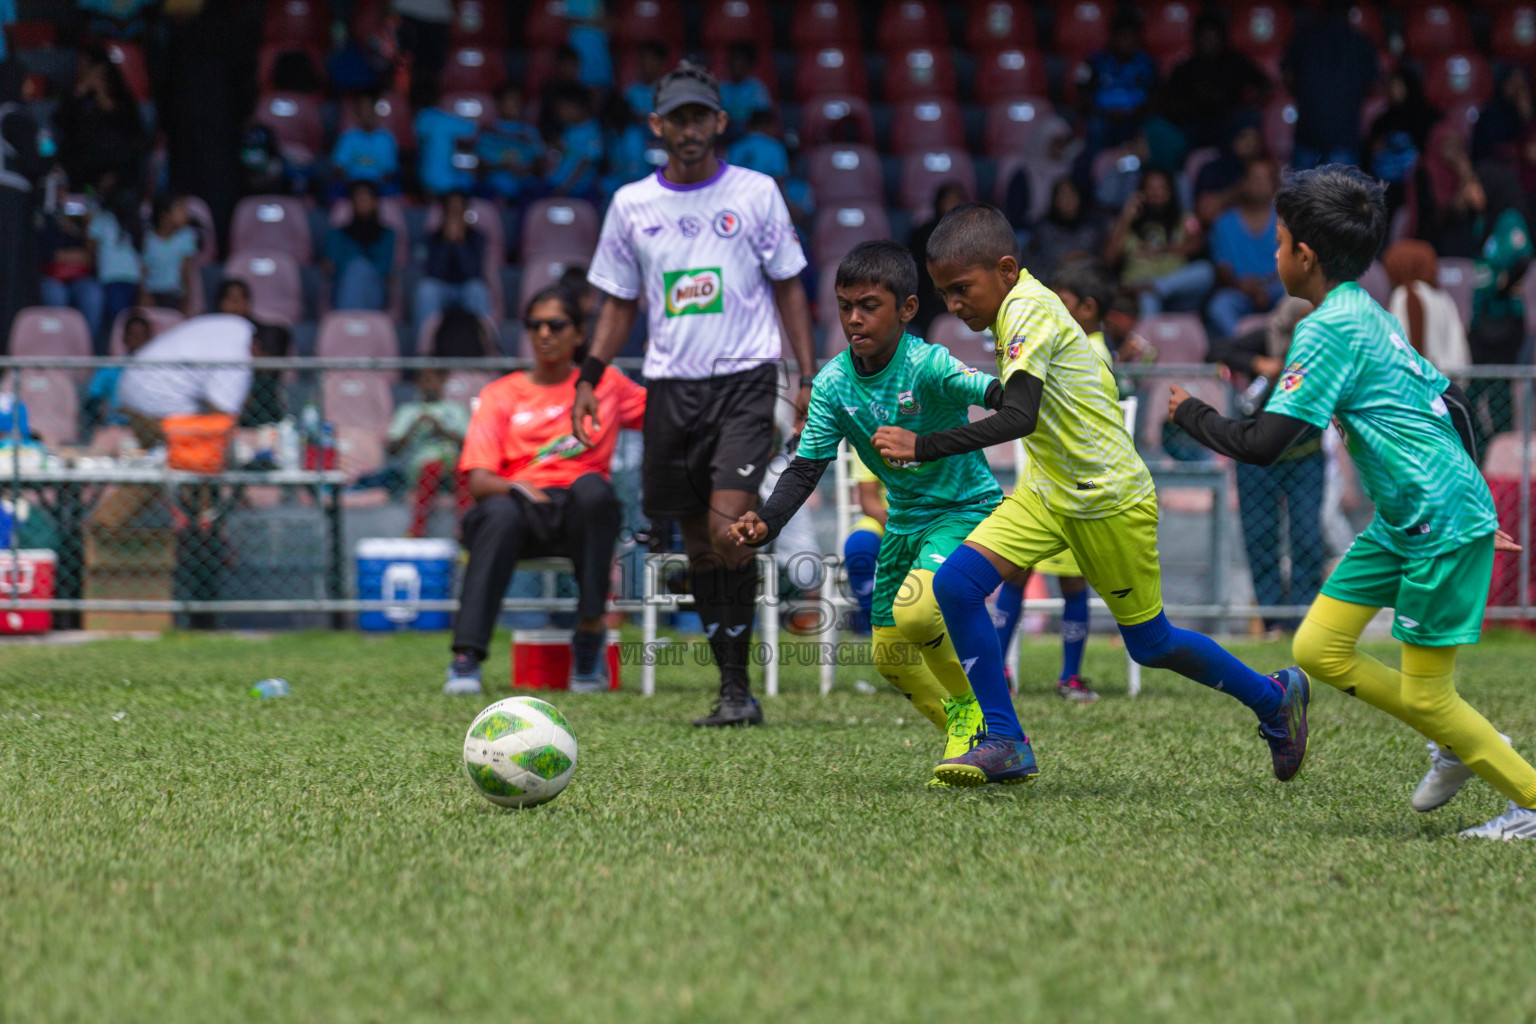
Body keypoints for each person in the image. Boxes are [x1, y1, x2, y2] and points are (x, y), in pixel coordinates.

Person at [870, 202, 1308, 787]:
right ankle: (1004, 739)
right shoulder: (1015, 310)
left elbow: (1019, 415)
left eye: (960, 289)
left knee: (1151, 644)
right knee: (956, 585)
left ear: (1005, 269)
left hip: (1106, 498)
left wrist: (922, 445)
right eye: (944, 293)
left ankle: (1272, 697)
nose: (953, 305)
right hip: (1050, 490)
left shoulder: (1027, 311)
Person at [1169, 165, 1536, 841]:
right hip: (1409, 518)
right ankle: (1456, 740)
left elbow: (1265, 442)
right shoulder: (1365, 310)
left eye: (1278, 244)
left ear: (1303, 256)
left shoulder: (1328, 329)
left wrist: (1190, 412)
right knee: (1317, 647)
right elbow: (1449, 400)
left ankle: (1528, 796)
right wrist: (1471, 494)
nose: (1274, 256)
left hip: (1431, 521)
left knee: (1430, 694)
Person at [575, 62, 817, 727]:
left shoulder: (758, 192)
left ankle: (738, 686)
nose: (689, 130)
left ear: (719, 121)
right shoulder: (631, 205)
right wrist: (589, 378)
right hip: (670, 390)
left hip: (745, 382)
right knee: (699, 547)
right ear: (657, 126)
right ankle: (733, 688)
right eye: (676, 118)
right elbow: (619, 303)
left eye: (698, 117)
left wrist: (806, 374)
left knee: (727, 530)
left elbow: (790, 284)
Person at [730, 240, 997, 783]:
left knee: (921, 613)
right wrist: (768, 520)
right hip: (903, 519)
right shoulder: (831, 383)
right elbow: (806, 468)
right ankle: (966, 732)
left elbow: (995, 393)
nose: (854, 318)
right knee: (888, 656)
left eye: (869, 305)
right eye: (845, 305)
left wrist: (1035, 389)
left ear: (906, 309)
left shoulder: (928, 364)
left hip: (965, 508)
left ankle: (981, 718)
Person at [447, 286, 647, 696]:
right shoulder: (500, 393)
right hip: (518, 511)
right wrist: (519, 486)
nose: (544, 334)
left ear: (578, 333)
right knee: (497, 512)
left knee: (595, 490)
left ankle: (590, 636)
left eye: (555, 325)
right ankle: (466, 658)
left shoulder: (606, 386)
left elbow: (666, 415)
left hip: (579, 512)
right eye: (534, 325)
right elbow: (480, 480)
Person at [1206, 296, 1326, 635]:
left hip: (1305, 455)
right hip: (1256, 459)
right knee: (1260, 536)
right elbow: (1215, 350)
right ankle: (1273, 619)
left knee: (1306, 535)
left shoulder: (1323, 346)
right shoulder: (1267, 336)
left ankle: (1304, 617)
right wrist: (1261, 363)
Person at [1465, 209, 1533, 455]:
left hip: (1504, 326)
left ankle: (1499, 460)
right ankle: (1486, 451)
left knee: (1498, 396)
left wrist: (1501, 284)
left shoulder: (1509, 219)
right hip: (1482, 326)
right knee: (1473, 396)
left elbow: (1523, 255)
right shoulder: (1482, 219)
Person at [1281, 0, 1379, 170]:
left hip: (1309, 134)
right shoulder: (1362, 42)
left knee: (1303, 196)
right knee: (1340, 196)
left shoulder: (1302, 38)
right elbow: (1373, 85)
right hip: (1343, 137)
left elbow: (1288, 78)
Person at [1102, 167, 1214, 317]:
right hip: (1139, 290)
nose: (1156, 193)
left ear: (1170, 191)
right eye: (1150, 188)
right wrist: (1126, 218)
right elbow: (1108, 258)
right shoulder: (1126, 224)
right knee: (1147, 297)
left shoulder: (1186, 219)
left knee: (1205, 270)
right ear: (1140, 192)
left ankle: (1157, 287)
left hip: (1175, 289)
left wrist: (1163, 249)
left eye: (1161, 187)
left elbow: (1196, 245)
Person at [1165, 14, 1271, 151]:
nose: (1210, 42)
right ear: (1197, 39)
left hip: (1229, 121)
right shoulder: (1185, 68)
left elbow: (1264, 83)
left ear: (1221, 38)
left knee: (1248, 118)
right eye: (1205, 37)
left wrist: (1252, 104)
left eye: (1213, 37)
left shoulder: (1235, 61)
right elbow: (1170, 101)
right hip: (1195, 123)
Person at [388, 366, 470, 539]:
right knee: (432, 467)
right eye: (424, 380)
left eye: (434, 380)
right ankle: (417, 530)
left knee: (462, 470)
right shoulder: (408, 411)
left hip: (454, 468)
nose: (429, 385)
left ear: (443, 382)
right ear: (417, 384)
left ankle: (465, 530)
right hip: (420, 470)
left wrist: (442, 429)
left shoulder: (456, 409)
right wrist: (414, 427)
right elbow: (392, 449)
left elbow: (470, 444)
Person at [1207, 158, 1283, 339]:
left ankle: (1281, 348)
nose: (1258, 184)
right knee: (1218, 307)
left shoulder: (1286, 221)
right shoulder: (1224, 222)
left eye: (1263, 179)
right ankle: (1243, 346)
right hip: (1239, 289)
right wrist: (1243, 287)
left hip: (1277, 287)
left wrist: (1263, 287)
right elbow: (1222, 269)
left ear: (1274, 185)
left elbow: (1295, 265)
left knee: (1301, 300)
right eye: (1253, 178)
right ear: (1243, 183)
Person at [53, 46, 145, 192]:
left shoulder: (122, 99)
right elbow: (60, 123)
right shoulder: (79, 99)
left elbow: (133, 136)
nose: (82, 71)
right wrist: (79, 93)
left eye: (86, 66)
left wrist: (101, 93)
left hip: (117, 171)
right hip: (82, 170)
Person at [0, 58, 43, 351]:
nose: (32, 86)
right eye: (27, 80)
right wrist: (52, 161)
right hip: (11, 202)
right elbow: (33, 164)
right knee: (13, 279)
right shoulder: (15, 115)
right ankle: (11, 350)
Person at [1381, 239, 1468, 373]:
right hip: (1445, 383)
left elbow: (1398, 344)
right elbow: (1459, 349)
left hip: (1417, 383)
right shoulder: (1443, 298)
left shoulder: (1403, 295)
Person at [414, 192, 491, 341]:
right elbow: (434, 272)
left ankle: (483, 345)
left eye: (459, 210)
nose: (455, 216)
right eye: (451, 211)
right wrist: (447, 242)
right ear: (443, 213)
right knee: (426, 290)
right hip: (441, 288)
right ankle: (424, 350)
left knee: (478, 290)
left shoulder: (478, 237)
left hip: (466, 288)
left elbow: (473, 272)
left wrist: (460, 243)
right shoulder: (431, 238)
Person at [1081, 12, 1159, 156]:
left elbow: (1156, 96)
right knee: (1095, 126)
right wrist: (1103, 111)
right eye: (1122, 36)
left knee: (1153, 128)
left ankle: (1146, 174)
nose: (1125, 42)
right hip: (1103, 117)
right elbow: (1083, 93)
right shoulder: (1094, 61)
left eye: (1130, 37)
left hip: (1136, 117)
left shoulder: (1148, 63)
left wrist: (1135, 112)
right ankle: (1095, 170)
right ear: (1113, 37)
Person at [217, 279, 289, 427]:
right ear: (220, 303)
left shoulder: (265, 332)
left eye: (242, 298)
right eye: (231, 299)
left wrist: (256, 359)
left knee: (264, 386)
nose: (237, 304)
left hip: (255, 394)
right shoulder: (210, 331)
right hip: (220, 390)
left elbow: (273, 373)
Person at [323, 180, 395, 311]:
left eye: (367, 197)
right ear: (352, 203)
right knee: (356, 268)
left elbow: (384, 267)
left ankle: (349, 324)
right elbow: (333, 267)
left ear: (375, 202)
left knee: (360, 268)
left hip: (376, 288)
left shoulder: (387, 234)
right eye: (358, 198)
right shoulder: (337, 234)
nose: (363, 202)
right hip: (342, 286)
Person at [908, 182, 969, 334]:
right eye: (949, 200)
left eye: (957, 200)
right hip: (929, 297)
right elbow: (914, 270)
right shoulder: (922, 233)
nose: (953, 204)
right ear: (939, 203)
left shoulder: (973, 235)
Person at [1020, 177, 1106, 283]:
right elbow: (1043, 264)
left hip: (1088, 283)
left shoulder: (1092, 226)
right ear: (1054, 200)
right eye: (1063, 195)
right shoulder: (1042, 229)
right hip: (1050, 284)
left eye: (1072, 194)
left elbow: (1104, 261)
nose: (1068, 200)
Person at [87, 189, 143, 342]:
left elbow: (91, 249)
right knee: (118, 322)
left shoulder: (135, 222)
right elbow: (91, 248)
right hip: (114, 279)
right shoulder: (104, 220)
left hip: (128, 279)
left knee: (125, 322)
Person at [1192, 112, 1266, 226]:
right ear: (1232, 136)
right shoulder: (1212, 170)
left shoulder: (1263, 170)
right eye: (1243, 136)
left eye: (1255, 137)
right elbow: (1205, 214)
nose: (1250, 143)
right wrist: (1240, 188)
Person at [477, 84, 544, 205]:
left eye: (518, 101)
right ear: (499, 104)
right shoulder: (488, 132)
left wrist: (524, 170)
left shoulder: (530, 132)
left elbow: (539, 165)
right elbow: (481, 166)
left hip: (524, 187)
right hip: (494, 187)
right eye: (509, 101)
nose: (514, 106)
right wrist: (505, 167)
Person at [412, 79, 476, 197]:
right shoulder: (443, 120)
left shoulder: (418, 120)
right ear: (438, 99)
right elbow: (474, 129)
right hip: (445, 184)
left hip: (422, 180)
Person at [541, 82, 603, 201]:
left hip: (578, 189)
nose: (559, 113)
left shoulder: (593, 131)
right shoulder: (569, 129)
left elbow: (584, 164)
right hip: (555, 184)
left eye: (562, 108)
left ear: (576, 106)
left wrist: (565, 188)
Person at [140, 195, 198, 313]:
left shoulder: (186, 236)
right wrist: (143, 295)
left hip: (175, 295)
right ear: (165, 215)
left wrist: (188, 300)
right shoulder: (148, 239)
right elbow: (143, 270)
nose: (186, 213)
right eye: (180, 209)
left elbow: (187, 271)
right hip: (152, 294)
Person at [332, 91, 400, 190]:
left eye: (368, 109)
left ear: (375, 111)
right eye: (362, 110)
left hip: (379, 189)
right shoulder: (348, 137)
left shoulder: (387, 138)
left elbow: (390, 170)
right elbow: (339, 166)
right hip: (352, 188)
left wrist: (373, 188)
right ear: (357, 114)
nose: (366, 114)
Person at [718, 42, 772, 132]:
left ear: (749, 64)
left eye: (739, 60)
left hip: (750, 134)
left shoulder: (757, 88)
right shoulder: (721, 88)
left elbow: (763, 118)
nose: (735, 64)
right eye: (732, 59)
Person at [623, 40, 668, 119]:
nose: (647, 63)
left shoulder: (667, 90)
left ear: (661, 63)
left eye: (652, 59)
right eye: (644, 58)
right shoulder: (630, 91)